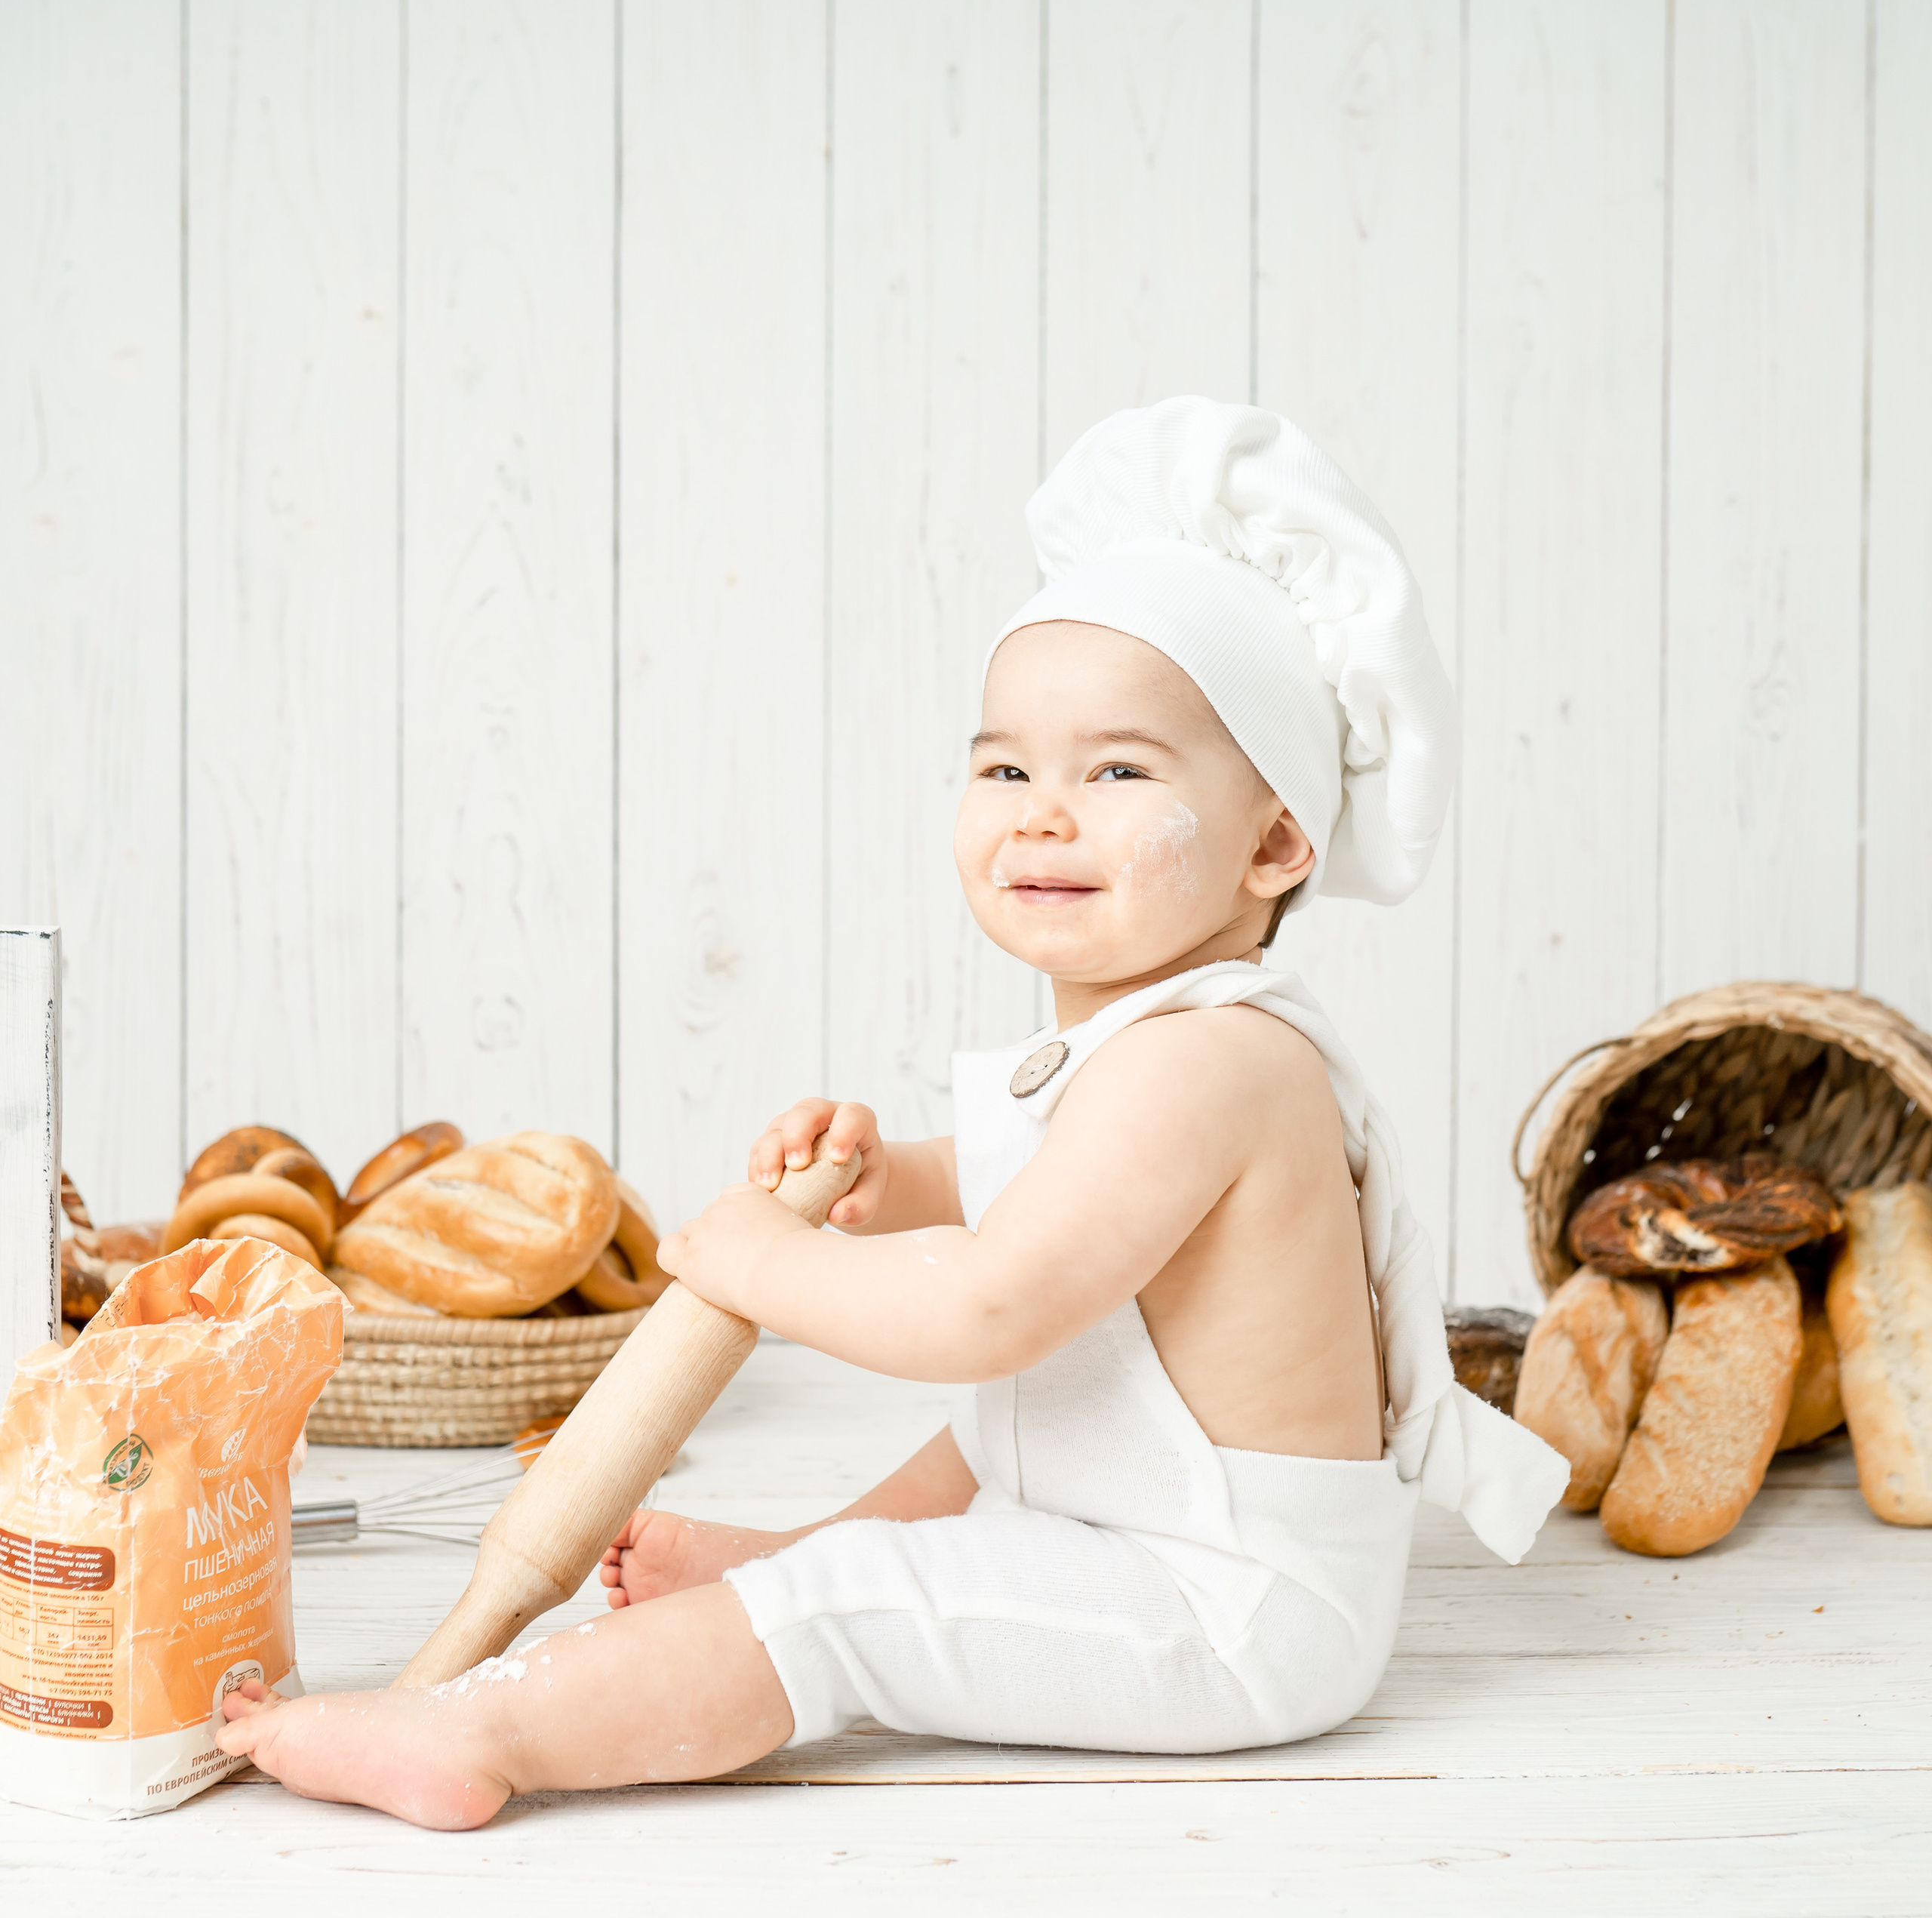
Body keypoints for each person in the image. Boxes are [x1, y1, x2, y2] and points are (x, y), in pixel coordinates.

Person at [217, 396, 1567, 1829]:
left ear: (1277, 840)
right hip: (1128, 1519)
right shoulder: (1138, 1047)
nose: (1042, 812)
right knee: (997, 1440)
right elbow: (1053, 1200)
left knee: (869, 1596)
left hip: (1233, 1604)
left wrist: (769, 1265)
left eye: (1118, 770)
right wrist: (897, 1181)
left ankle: (492, 1732)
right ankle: (784, 1557)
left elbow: (990, 1309)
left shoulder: (1213, 1061)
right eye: (1006, 767)